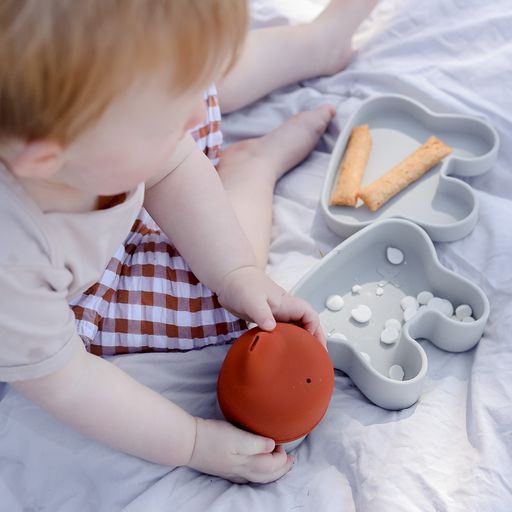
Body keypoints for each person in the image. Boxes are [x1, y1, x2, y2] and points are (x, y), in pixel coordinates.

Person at [0, 0, 377, 484]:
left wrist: (235, 272)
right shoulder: (14, 271)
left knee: (187, 83)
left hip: (115, 160)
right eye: (168, 119)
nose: (198, 111)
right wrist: (191, 440)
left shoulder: (95, 126)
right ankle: (251, 171)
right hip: (68, 296)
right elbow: (68, 383)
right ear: (47, 159)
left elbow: (172, 164)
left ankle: (314, 44)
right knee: (216, 314)